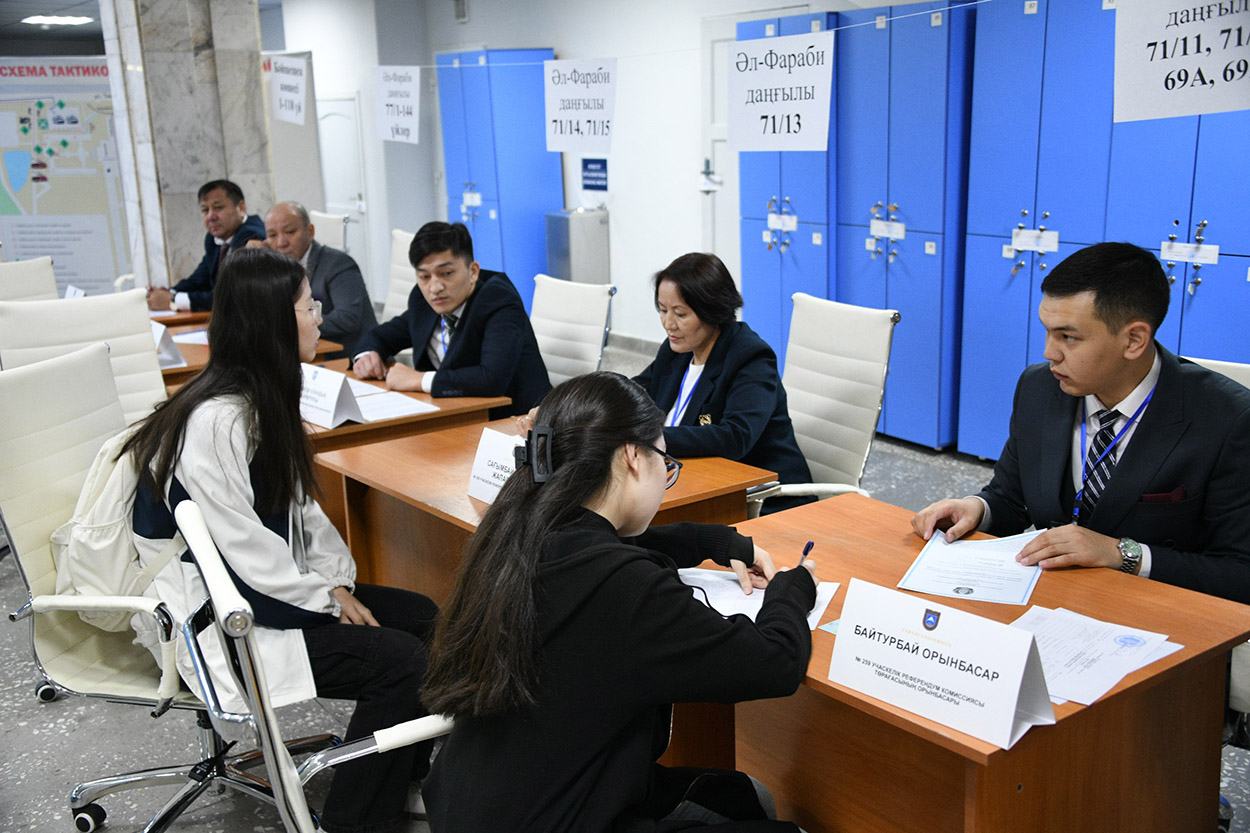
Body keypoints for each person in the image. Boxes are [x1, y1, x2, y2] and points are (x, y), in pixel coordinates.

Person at [124, 247, 438, 833]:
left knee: (424, 617)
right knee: (399, 662)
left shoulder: (259, 402)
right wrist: (326, 602)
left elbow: (302, 517)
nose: (319, 316)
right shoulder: (215, 423)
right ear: (272, 321)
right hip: (218, 619)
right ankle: (354, 820)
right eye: (308, 305)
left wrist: (338, 584)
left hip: (257, 594)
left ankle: (397, 780)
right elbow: (241, 560)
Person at [421, 371, 817, 833]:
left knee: (741, 795)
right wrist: (793, 590)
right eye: (665, 462)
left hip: (489, 803)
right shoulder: (625, 589)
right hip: (563, 815)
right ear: (632, 456)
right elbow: (775, 661)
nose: (665, 475)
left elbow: (612, 546)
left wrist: (711, 539)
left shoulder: (517, 531)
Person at [911, 242, 1250, 603]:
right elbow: (1011, 498)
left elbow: (1239, 572)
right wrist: (976, 509)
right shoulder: (1039, 387)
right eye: (1047, 331)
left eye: (1068, 337)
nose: (1049, 352)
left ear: (1134, 340)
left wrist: (1122, 554)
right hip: (1051, 602)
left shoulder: (1227, 420)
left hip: (1157, 616)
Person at [633, 252, 812, 514]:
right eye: (662, 310)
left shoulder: (750, 357)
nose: (668, 323)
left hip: (758, 499)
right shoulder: (677, 349)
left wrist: (652, 438)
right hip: (689, 479)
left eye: (680, 314)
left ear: (711, 311)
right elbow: (636, 391)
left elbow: (734, 436)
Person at [353, 221, 550, 418]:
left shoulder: (498, 300)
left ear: (473, 271)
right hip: (452, 415)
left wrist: (418, 379)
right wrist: (367, 355)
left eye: (446, 273)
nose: (435, 287)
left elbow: (491, 379)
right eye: (424, 277)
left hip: (515, 421)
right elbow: (382, 335)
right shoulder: (424, 301)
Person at [255, 201, 377, 358]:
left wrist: (289, 326)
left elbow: (347, 318)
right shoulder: (278, 269)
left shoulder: (339, 264)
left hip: (351, 358)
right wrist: (257, 264)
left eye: (290, 232)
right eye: (272, 235)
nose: (281, 243)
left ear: (310, 231)